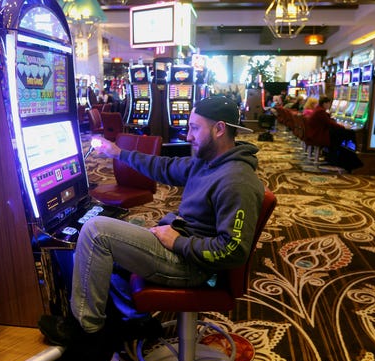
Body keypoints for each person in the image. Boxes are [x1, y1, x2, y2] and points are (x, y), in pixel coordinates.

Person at [38, 96, 265, 347]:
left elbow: (233, 251)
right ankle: (139, 320)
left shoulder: (236, 181)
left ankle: (85, 329)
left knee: (97, 232)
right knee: (120, 230)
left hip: (192, 265)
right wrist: (118, 153)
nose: (188, 135)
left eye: (194, 128)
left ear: (219, 129)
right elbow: (163, 167)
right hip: (182, 242)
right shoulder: (210, 162)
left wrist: (178, 242)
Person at [307, 95, 361, 169]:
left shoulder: (318, 109)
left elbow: (328, 122)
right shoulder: (320, 111)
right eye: (329, 104)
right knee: (342, 136)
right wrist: (344, 126)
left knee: (340, 135)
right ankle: (340, 159)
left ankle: (337, 159)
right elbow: (329, 123)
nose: (330, 106)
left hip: (316, 133)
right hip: (318, 135)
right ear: (324, 103)